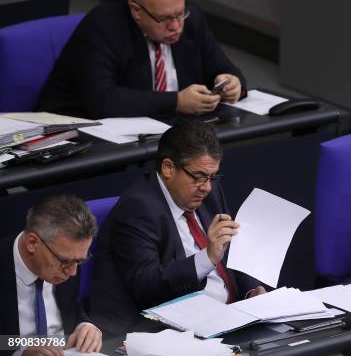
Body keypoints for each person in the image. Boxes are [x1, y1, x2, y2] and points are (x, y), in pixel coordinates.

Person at [90, 118, 266, 336]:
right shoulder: (138, 209)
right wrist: (208, 257)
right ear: (168, 168)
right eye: (199, 177)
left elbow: (229, 249)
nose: (207, 187)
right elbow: (148, 288)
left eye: (212, 177)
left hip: (230, 316)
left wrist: (251, 290)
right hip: (168, 330)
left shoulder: (207, 191)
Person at [37, 0, 246, 119]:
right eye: (164, 19)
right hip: (81, 131)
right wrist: (177, 102)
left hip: (166, 132)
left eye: (180, 14)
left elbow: (224, 69)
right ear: (137, 11)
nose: (176, 26)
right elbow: (103, 101)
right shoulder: (102, 27)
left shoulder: (190, 19)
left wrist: (233, 83)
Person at [0, 195, 102, 356]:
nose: (73, 272)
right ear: (32, 243)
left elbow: (74, 309)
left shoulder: (69, 257)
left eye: (79, 261)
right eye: (65, 262)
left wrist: (85, 326)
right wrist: (22, 350)